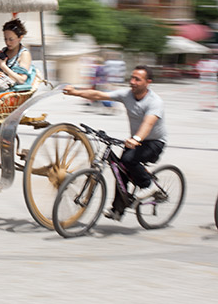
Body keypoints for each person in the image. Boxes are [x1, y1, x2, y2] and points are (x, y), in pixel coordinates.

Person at [63, 65, 168, 221]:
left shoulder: (155, 102)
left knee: (128, 160)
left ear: (148, 82)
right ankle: (117, 211)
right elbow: (98, 95)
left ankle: (149, 186)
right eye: (132, 78)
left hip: (154, 142)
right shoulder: (127, 95)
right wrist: (76, 92)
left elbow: (148, 123)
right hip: (134, 142)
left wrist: (136, 139)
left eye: (137, 79)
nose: (132, 82)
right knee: (120, 170)